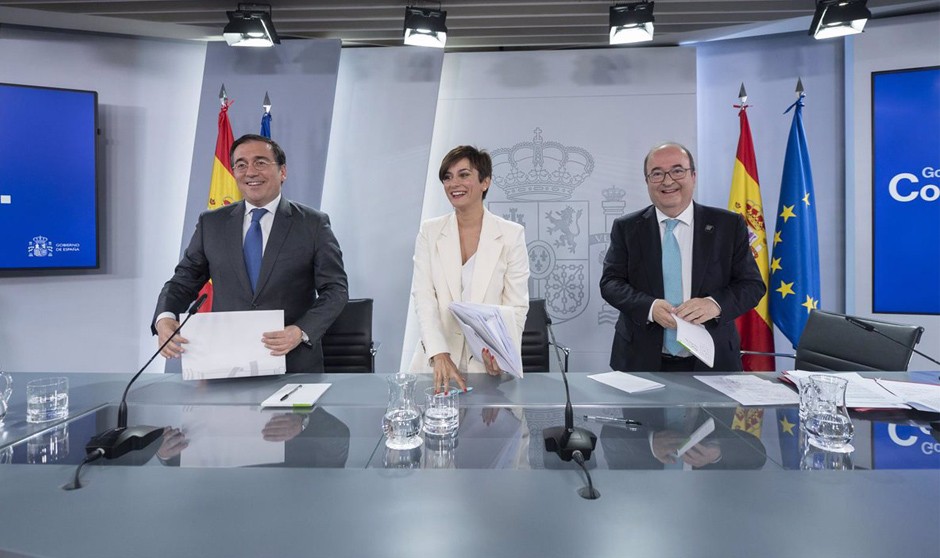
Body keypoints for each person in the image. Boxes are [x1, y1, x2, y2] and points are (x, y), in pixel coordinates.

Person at [152, 134, 348, 373]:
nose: (251, 172)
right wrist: (165, 317)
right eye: (241, 165)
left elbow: (335, 290)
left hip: (294, 362)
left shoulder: (313, 224)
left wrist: (301, 331)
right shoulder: (211, 224)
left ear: (283, 172)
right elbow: (183, 281)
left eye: (260, 162)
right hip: (226, 364)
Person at [600, 142, 764, 372]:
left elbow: (752, 285)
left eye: (677, 171)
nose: (668, 181)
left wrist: (714, 304)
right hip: (640, 358)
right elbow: (610, 283)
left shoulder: (728, 225)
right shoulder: (626, 227)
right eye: (657, 173)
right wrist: (649, 307)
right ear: (647, 181)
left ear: (693, 176)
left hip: (713, 360)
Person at [410, 145, 530, 391]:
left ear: (485, 182)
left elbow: (516, 306)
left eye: (464, 175)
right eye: (447, 177)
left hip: (488, 366)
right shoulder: (430, 231)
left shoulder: (511, 235)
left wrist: (502, 355)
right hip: (437, 363)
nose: (454, 183)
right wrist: (439, 352)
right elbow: (423, 297)